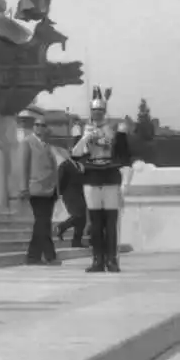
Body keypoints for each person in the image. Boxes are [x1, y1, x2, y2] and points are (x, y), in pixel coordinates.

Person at [71, 87, 131, 273]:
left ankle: (112, 259)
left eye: (100, 110)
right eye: (94, 110)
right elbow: (75, 154)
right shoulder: (83, 129)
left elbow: (125, 158)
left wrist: (125, 183)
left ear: (104, 111)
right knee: (95, 222)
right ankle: (97, 259)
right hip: (92, 177)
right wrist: (85, 138)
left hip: (111, 177)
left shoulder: (115, 130)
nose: (96, 113)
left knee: (110, 222)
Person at [19, 117, 61, 266]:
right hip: (35, 188)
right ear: (33, 127)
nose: (39, 128)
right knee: (42, 222)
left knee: (43, 223)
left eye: (43, 125)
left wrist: (57, 189)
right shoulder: (27, 142)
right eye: (37, 125)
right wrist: (23, 187)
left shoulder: (47, 145)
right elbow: (23, 166)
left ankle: (34, 256)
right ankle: (48, 255)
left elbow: (53, 168)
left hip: (49, 190)